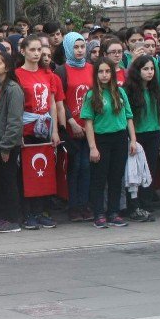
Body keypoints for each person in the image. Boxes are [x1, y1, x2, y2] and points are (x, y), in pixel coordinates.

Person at [81, 59, 137, 228]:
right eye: (101, 72)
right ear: (96, 74)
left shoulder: (120, 92)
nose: (104, 75)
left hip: (120, 138)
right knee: (99, 178)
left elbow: (129, 117)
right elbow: (88, 122)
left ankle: (114, 212)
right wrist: (93, 147)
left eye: (107, 71)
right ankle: (99, 213)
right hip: (101, 139)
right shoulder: (92, 95)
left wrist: (133, 139)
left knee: (116, 177)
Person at [16, 35, 62, 229]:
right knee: (27, 172)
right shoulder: (17, 74)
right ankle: (27, 213)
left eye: (39, 50)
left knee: (43, 170)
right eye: (32, 50)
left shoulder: (48, 74)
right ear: (23, 51)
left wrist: (55, 131)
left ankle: (40, 210)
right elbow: (16, 105)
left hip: (44, 128)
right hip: (26, 127)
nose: (36, 54)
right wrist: (17, 132)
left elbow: (52, 103)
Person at [124, 54, 160, 222]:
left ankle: (145, 204)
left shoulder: (155, 90)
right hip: (137, 135)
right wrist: (133, 139)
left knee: (148, 170)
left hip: (153, 134)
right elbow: (128, 116)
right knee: (134, 172)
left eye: (152, 68)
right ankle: (134, 206)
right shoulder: (129, 90)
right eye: (145, 69)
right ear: (138, 71)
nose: (150, 72)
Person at [55, 32, 94, 222]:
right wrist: (71, 122)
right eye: (76, 47)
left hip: (90, 127)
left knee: (86, 167)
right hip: (71, 128)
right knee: (74, 167)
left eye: (82, 47)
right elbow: (60, 100)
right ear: (68, 49)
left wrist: (89, 124)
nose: (79, 51)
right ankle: (73, 206)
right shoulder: (61, 71)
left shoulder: (92, 69)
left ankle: (85, 204)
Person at [0, 48, 25, 233]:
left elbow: (15, 120)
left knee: (9, 181)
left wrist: (6, 146)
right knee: (0, 181)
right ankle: (4, 216)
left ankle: (12, 219)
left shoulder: (13, 89)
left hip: (7, 144)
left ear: (8, 67)